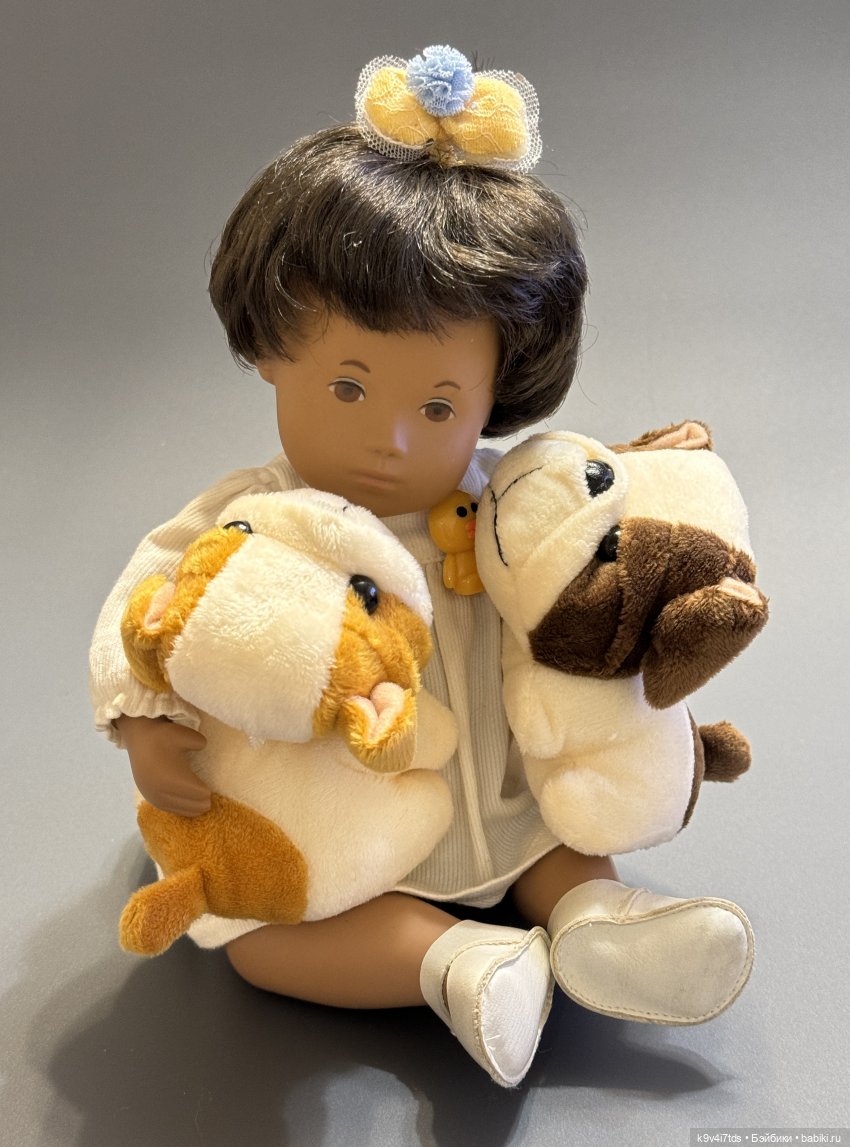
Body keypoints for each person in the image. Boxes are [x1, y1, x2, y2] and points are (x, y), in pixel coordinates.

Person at [90, 46, 754, 1088]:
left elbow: (609, 562)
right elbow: (146, 605)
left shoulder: (515, 501)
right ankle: (456, 965)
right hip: (341, 821)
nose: (391, 439)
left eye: (438, 406)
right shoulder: (249, 521)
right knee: (263, 942)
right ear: (273, 352)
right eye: (348, 389)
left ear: (497, 393)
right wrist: (144, 720)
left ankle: (599, 919)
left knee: (558, 843)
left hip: (510, 789)